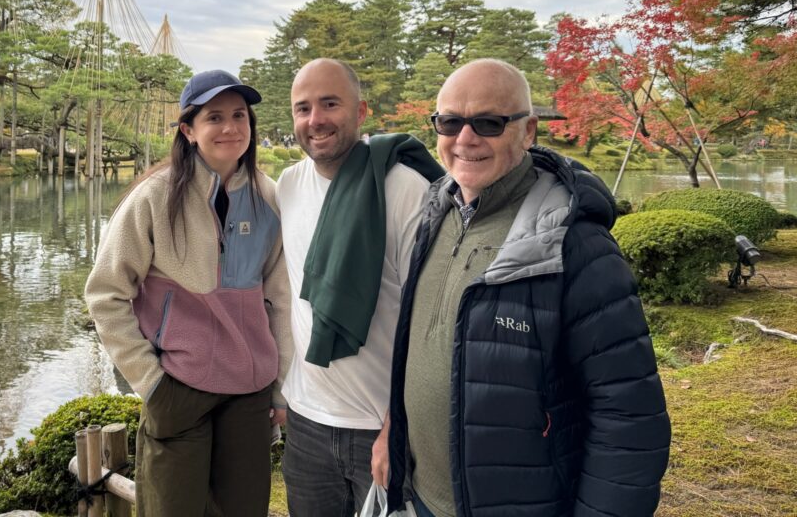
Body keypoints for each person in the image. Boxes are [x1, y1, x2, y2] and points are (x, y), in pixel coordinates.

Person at [386, 59, 671, 517]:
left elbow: (628, 416)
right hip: (423, 499)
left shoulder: (575, 244)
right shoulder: (435, 214)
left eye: (489, 122)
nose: (465, 138)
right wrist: (393, 438)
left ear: (529, 130)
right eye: (450, 121)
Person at [84, 69, 292, 517]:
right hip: (178, 388)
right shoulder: (154, 197)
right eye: (214, 117)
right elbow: (106, 293)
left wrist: (280, 388)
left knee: (244, 509)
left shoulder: (268, 197)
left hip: (250, 390)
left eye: (240, 115)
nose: (231, 127)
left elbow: (281, 299)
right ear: (188, 130)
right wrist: (150, 380)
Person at [277, 58, 443, 516]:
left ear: (361, 110)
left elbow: (431, 320)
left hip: (381, 425)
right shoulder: (288, 185)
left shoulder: (404, 188)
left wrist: (398, 424)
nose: (316, 120)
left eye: (330, 103)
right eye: (303, 108)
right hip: (307, 421)